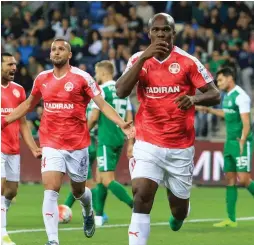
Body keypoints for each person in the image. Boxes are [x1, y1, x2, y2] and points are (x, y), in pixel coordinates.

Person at [1, 39, 134, 245]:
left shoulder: (82, 78)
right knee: (50, 189)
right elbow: (28, 104)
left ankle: (88, 210)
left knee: (79, 190)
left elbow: (102, 104)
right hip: (51, 143)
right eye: (53, 49)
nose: (56, 52)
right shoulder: (42, 78)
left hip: (77, 145)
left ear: (69, 55)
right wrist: (6, 120)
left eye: (61, 49)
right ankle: (53, 240)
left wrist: (121, 123)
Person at [115, 13, 220, 245]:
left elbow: (215, 94)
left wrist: (194, 100)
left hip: (180, 147)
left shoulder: (188, 61)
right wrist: (143, 58)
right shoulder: (137, 60)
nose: (161, 34)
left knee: (178, 210)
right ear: (149, 33)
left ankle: (181, 213)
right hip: (148, 141)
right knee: (141, 195)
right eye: (156, 30)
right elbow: (121, 91)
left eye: (166, 30)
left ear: (174, 33)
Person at [196, 67, 254, 228]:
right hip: (229, 142)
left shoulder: (241, 96)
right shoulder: (228, 96)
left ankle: (231, 218)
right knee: (229, 180)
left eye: (221, 80)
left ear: (230, 79)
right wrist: (209, 110)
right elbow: (228, 113)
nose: (218, 83)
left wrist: (242, 141)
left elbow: (246, 122)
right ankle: (231, 219)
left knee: (244, 180)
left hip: (241, 142)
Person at [1, 52, 41, 245]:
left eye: (15, 64)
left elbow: (23, 123)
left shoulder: (18, 90)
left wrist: (33, 148)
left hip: (12, 148)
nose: (14, 68)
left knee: (11, 191)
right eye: (9, 64)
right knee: (0, 187)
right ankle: (2, 234)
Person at [88, 60, 134, 226]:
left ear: (103, 73)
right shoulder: (123, 90)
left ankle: (135, 206)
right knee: (100, 178)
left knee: (107, 179)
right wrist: (130, 143)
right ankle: (98, 217)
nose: (96, 76)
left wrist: (82, 132)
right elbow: (129, 118)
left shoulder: (101, 91)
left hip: (106, 139)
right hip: (119, 138)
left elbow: (93, 117)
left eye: (97, 72)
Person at [63, 101, 109, 223]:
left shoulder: (76, 103)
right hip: (92, 142)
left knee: (86, 183)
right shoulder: (93, 101)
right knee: (79, 182)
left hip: (82, 144)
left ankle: (99, 212)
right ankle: (64, 208)